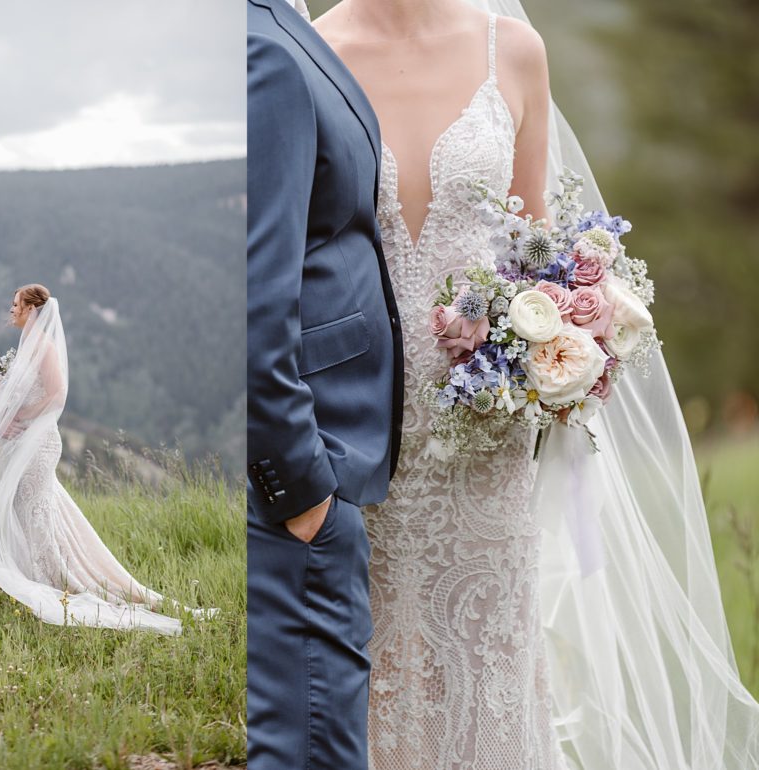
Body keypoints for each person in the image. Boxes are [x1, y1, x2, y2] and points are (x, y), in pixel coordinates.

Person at [313, 0, 759, 767]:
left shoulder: (511, 50)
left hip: (484, 427)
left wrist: (557, 337)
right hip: (354, 427)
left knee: (487, 656)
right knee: (369, 658)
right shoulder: (310, 53)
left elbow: (537, 247)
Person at [246, 0, 404, 766]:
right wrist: (302, 491)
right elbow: (252, 298)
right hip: (298, 493)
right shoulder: (259, 51)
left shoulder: (279, 26)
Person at [0, 284, 188, 635]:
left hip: (38, 442)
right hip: (24, 441)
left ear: (31, 309)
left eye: (15, 305)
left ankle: (53, 581)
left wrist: (19, 417)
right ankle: (55, 573)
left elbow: (56, 394)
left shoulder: (43, 345)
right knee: (31, 509)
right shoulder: (26, 343)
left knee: (35, 509)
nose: (9, 310)